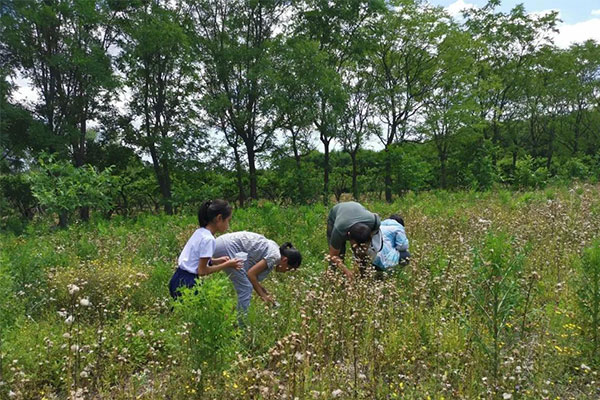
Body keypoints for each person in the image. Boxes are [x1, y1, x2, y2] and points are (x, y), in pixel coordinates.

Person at [169, 199, 243, 299]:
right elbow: (202, 271)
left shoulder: (200, 232)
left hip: (177, 278)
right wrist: (227, 264)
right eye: (228, 221)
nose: (228, 225)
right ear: (219, 218)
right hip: (188, 282)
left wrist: (216, 261)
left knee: (180, 312)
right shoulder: (209, 240)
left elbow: (195, 259)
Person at [213, 231, 302, 312]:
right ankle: (241, 325)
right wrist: (262, 296)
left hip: (223, 243)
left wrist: (263, 291)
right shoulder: (275, 256)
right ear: (285, 260)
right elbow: (251, 274)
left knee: (245, 285)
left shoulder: (276, 250)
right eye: (289, 268)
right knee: (246, 288)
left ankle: (237, 316)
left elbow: (251, 276)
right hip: (227, 247)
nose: (286, 271)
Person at [326, 201, 382, 279]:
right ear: (348, 235)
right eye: (356, 245)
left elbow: (374, 238)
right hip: (336, 215)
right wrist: (346, 271)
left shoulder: (374, 222)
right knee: (339, 255)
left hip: (356, 210)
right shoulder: (339, 229)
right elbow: (333, 255)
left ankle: (362, 277)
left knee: (363, 255)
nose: (359, 248)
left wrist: (363, 252)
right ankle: (332, 280)